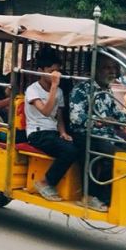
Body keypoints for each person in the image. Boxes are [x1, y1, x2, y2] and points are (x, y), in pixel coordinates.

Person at [69, 55, 126, 210]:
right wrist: (101, 121)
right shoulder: (81, 89)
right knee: (112, 155)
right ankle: (93, 196)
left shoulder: (107, 90)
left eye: (113, 68)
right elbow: (76, 118)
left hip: (107, 135)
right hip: (85, 134)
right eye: (107, 68)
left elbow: (116, 115)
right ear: (95, 69)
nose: (111, 72)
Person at [24, 47, 81, 203]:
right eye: (51, 71)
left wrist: (63, 132)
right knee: (69, 151)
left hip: (53, 132)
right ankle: (45, 182)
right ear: (41, 71)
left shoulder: (60, 92)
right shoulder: (32, 90)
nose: (56, 74)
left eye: (58, 71)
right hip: (37, 133)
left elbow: (59, 116)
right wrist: (54, 87)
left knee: (80, 144)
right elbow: (46, 111)